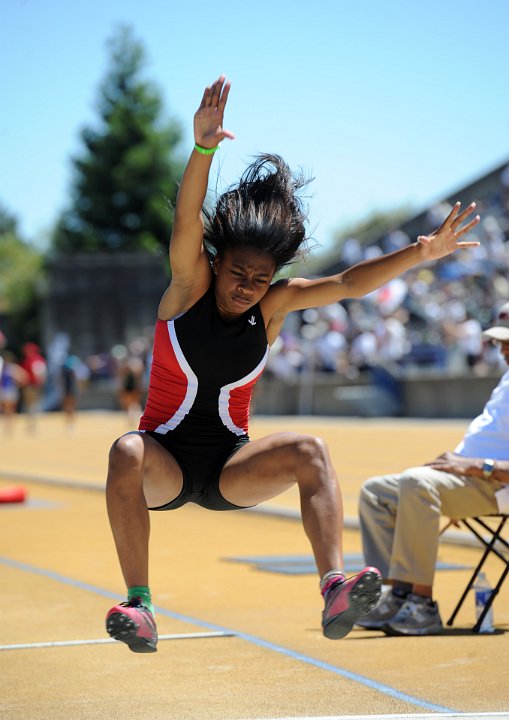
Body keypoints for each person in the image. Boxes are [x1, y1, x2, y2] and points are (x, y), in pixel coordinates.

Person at [104, 75, 480, 653]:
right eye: (237, 273)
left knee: (311, 449)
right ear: (216, 260)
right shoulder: (186, 288)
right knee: (125, 449)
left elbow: (350, 283)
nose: (247, 288)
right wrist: (203, 148)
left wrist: (420, 252)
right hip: (167, 464)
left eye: (260, 278)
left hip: (232, 467)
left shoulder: (274, 306)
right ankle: (142, 606)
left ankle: (334, 585)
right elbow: (186, 224)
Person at [358, 301, 509, 636]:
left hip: (496, 485)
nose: (504, 350)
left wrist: (474, 465)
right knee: (375, 491)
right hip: (469, 477)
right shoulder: (507, 377)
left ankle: (421, 604)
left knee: (417, 482)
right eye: (501, 342)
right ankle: (394, 593)